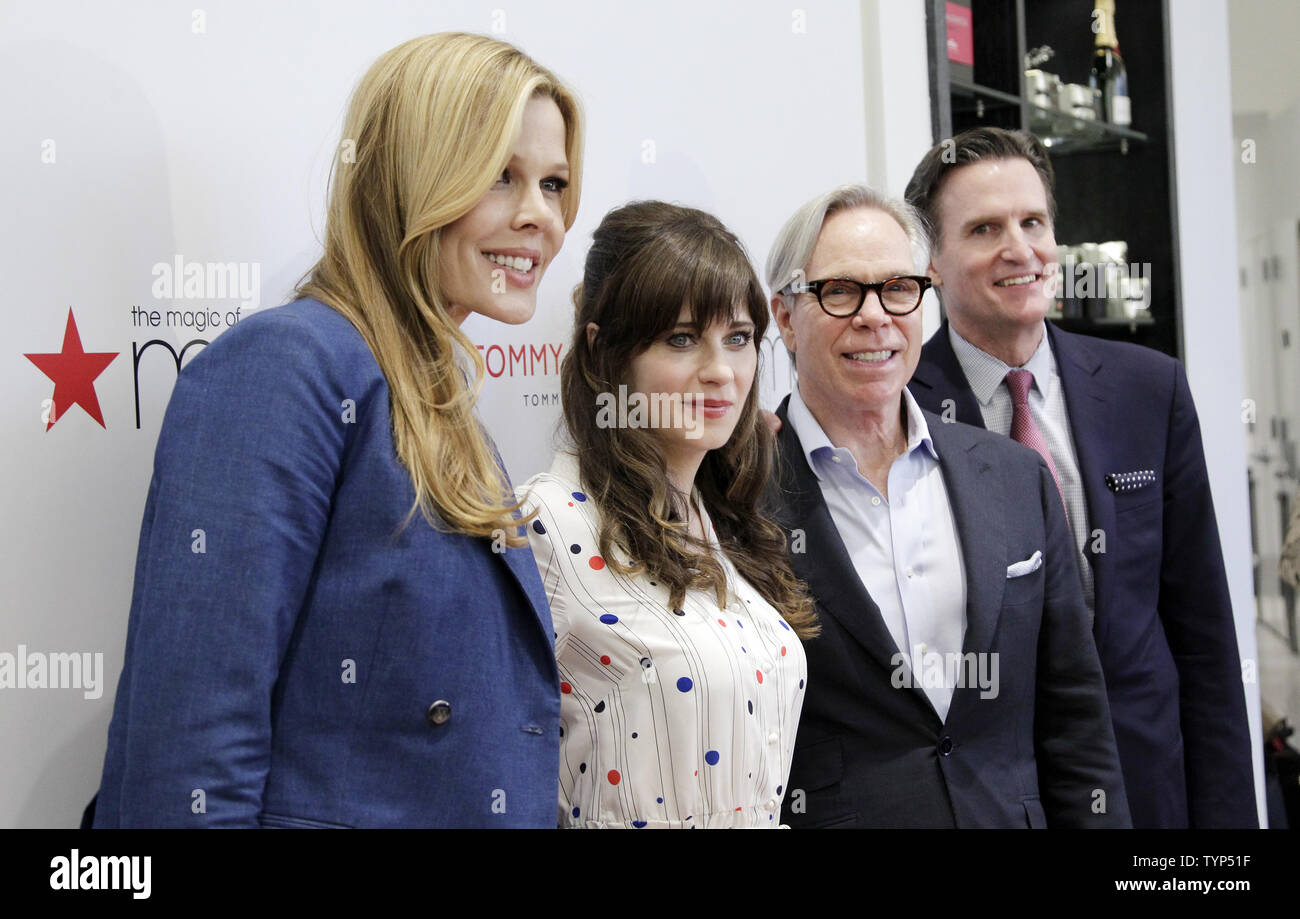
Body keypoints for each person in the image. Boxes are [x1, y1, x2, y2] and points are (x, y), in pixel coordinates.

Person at [92, 33, 584, 828]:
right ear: (410, 176)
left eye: (555, 183)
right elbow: (186, 756)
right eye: (501, 176)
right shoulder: (287, 365)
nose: (542, 217)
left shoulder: (443, 409)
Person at [904, 126, 1257, 828]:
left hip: (1149, 786)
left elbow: (1204, 639)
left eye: (1033, 222)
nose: (1020, 248)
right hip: (993, 798)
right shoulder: (902, 406)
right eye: (984, 228)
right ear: (933, 262)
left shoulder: (1147, 389)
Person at [765, 184, 1130, 828]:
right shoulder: (737, 497)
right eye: (840, 291)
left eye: (898, 288)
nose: (874, 316)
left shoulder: (1016, 477)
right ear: (787, 317)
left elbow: (1074, 718)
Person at [520, 201, 816, 828]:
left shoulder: (726, 524)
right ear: (605, 353)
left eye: (738, 339)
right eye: (681, 339)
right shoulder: (544, 523)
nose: (721, 373)